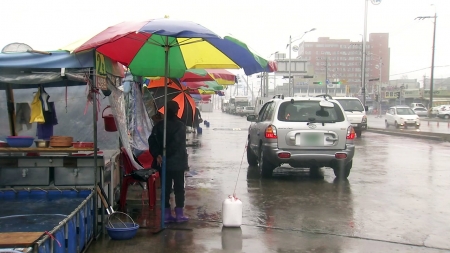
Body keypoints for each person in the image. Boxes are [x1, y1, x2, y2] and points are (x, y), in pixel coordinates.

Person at [148, 101, 189, 223]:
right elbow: (177, 144)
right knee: (179, 188)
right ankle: (179, 214)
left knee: (165, 188)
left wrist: (158, 155)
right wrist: (164, 154)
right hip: (177, 164)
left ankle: (166, 214)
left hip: (163, 163)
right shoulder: (180, 126)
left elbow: (152, 141)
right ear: (177, 111)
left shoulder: (159, 126)